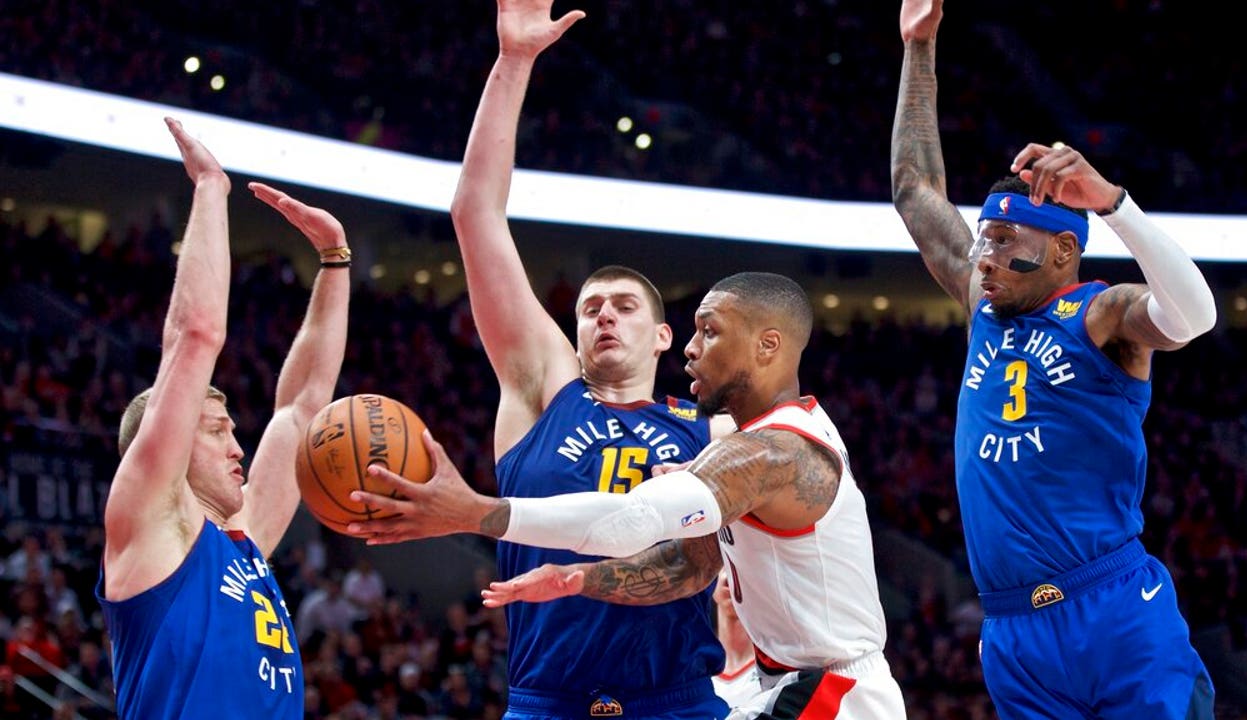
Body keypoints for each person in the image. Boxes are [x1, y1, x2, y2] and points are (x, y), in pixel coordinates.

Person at [352, 1, 733, 717]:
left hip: (678, 700)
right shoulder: (544, 390)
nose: (604, 315)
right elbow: (475, 215)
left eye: (625, 306)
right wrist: (514, 61)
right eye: (590, 308)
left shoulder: (711, 429)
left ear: (663, 337)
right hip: (548, 701)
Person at [354, 272, 908, 720]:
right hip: (798, 687)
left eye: (710, 332)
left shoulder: (771, 453)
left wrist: (475, 513)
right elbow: (687, 565)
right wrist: (580, 579)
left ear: (768, 346)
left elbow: (635, 518)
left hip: (835, 696)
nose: (690, 348)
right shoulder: (760, 442)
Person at [889, 1, 1218, 717]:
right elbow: (914, 189)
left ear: (1064, 249)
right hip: (1013, 629)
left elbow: (1195, 317)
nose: (985, 256)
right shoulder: (983, 303)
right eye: (984, 238)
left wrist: (1114, 205)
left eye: (1006, 241)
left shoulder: (1101, 315)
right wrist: (919, 48)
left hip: (1112, 609)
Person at [94, 118, 352, 719]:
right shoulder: (151, 521)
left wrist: (335, 260)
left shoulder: (243, 536)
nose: (238, 446)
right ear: (166, 446)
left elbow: (302, 405)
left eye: (232, 429)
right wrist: (212, 187)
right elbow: (194, 337)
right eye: (215, 430)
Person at [709, 570, 759, 709]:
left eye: (738, 564)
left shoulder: (779, 670)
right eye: (721, 563)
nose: (729, 576)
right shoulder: (692, 670)